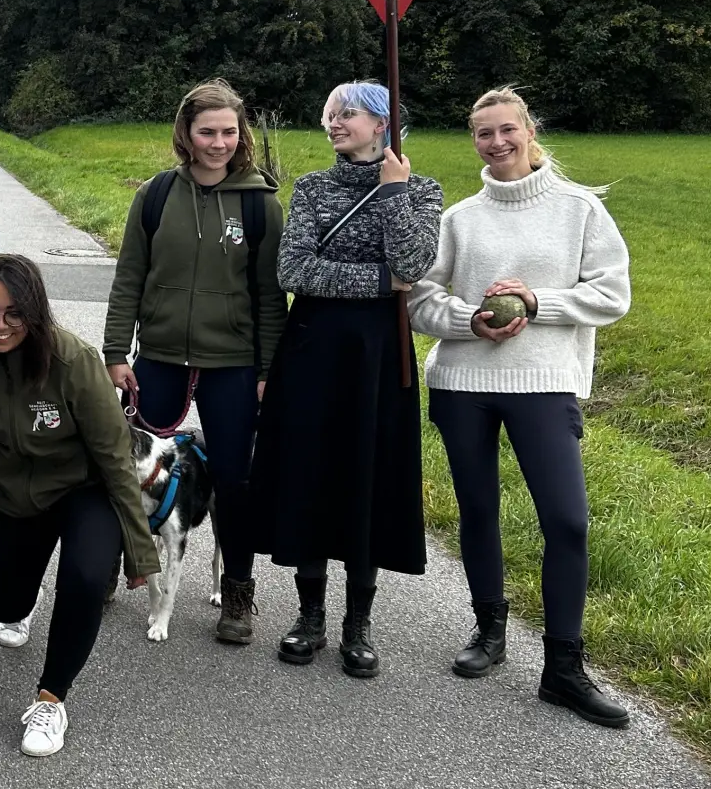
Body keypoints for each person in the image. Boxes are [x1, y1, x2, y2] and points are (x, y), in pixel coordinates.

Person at [409, 86, 632, 728]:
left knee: (567, 521)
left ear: (530, 132)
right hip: (463, 384)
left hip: (544, 382)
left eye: (508, 130)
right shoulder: (461, 218)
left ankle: (563, 667)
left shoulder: (579, 210)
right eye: (484, 134)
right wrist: (470, 322)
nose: (498, 143)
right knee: (478, 510)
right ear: (474, 141)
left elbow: (613, 293)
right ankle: (488, 631)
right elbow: (419, 299)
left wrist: (538, 303)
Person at [244, 80, 443, 679]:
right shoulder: (311, 189)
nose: (332, 123)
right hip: (313, 350)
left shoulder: (422, 192)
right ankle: (310, 616)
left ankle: (358, 623)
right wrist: (381, 284)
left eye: (346, 114)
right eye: (329, 114)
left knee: (367, 476)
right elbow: (296, 270)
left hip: (379, 358)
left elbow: (414, 263)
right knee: (311, 473)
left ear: (382, 125)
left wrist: (392, 195)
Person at [0, 254, 160, 758]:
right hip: (21, 492)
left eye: (14, 313)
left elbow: (116, 461)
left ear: (35, 312)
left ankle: (51, 699)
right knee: (3, 606)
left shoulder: (73, 362)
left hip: (87, 490)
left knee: (82, 579)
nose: (0, 325)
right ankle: (25, 599)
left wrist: (139, 554)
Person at [103, 78, 287, 643]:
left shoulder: (260, 205)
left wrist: (265, 371)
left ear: (241, 134)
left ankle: (236, 592)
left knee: (234, 481)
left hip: (232, 364)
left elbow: (268, 298)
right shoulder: (156, 196)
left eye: (229, 131)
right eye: (207, 131)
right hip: (159, 358)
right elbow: (130, 276)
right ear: (186, 133)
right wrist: (115, 351)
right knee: (127, 470)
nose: (219, 142)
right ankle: (120, 564)